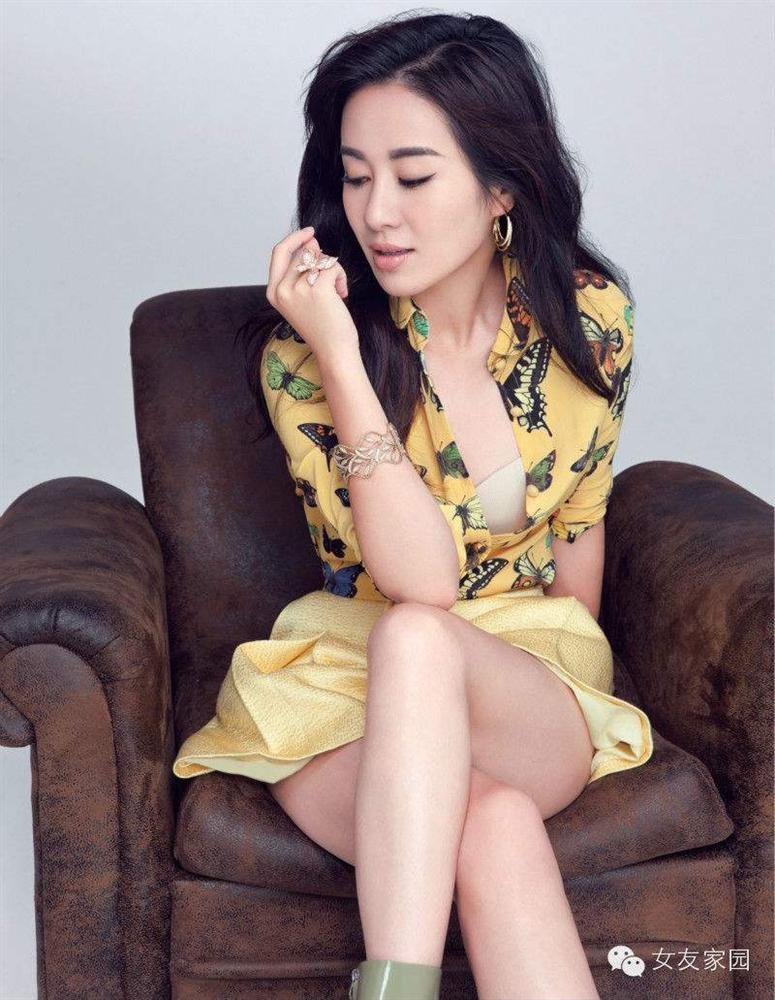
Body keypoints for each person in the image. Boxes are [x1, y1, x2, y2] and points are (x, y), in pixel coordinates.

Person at [173, 11, 654, 999]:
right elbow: (419, 583)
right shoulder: (305, 357)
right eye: (355, 177)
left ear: (501, 185)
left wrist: (564, 678)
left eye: (413, 175)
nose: (376, 213)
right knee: (487, 812)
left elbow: (582, 524)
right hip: (348, 684)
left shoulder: (589, 319)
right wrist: (341, 357)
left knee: (427, 642)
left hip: (517, 672)